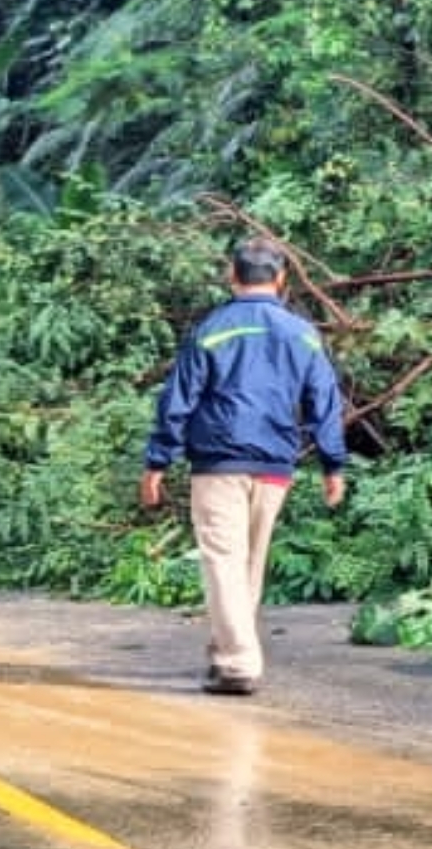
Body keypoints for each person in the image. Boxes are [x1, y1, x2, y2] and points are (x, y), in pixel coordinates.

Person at [139, 238, 352, 699]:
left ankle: (237, 662)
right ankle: (225, 653)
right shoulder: (301, 334)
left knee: (223, 561)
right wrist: (332, 465)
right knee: (247, 565)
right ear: (280, 281)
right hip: (275, 463)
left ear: (232, 277)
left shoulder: (212, 329)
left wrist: (158, 460)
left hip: (218, 462)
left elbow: (179, 399)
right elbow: (324, 402)